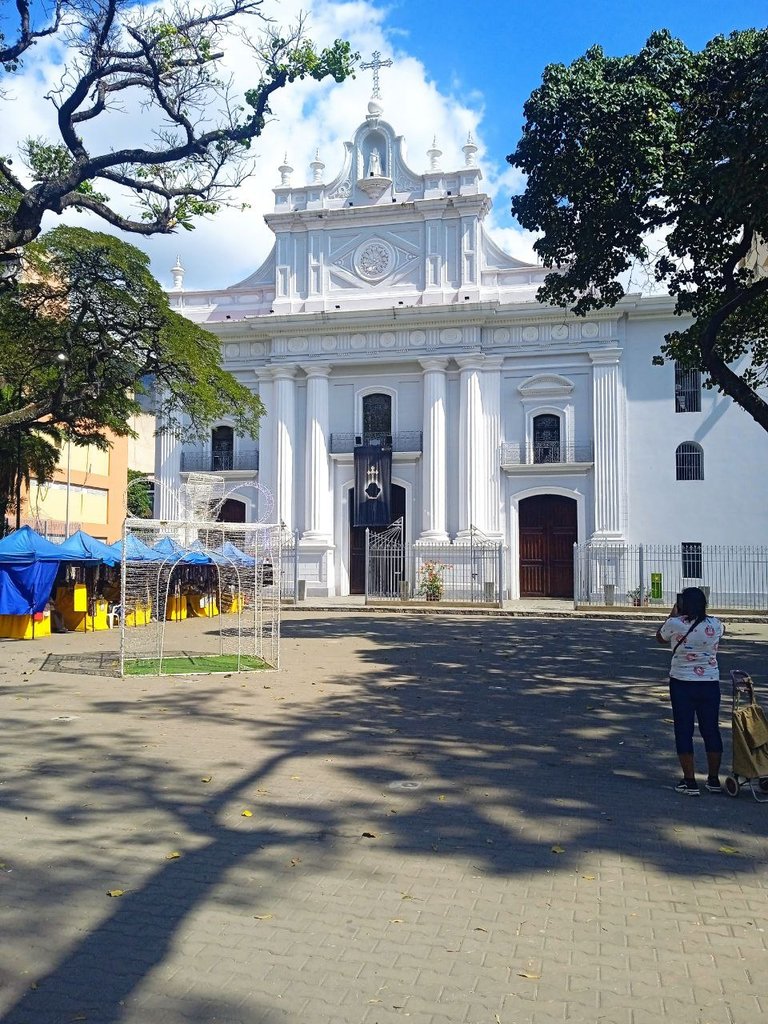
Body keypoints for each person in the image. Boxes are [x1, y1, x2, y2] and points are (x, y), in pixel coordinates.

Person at [656, 587, 725, 795]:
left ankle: (690, 780)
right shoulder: (715, 623)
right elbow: (723, 631)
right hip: (710, 683)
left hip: (682, 683)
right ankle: (713, 779)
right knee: (711, 729)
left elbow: (660, 637)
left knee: (684, 730)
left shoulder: (675, 623)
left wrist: (672, 614)